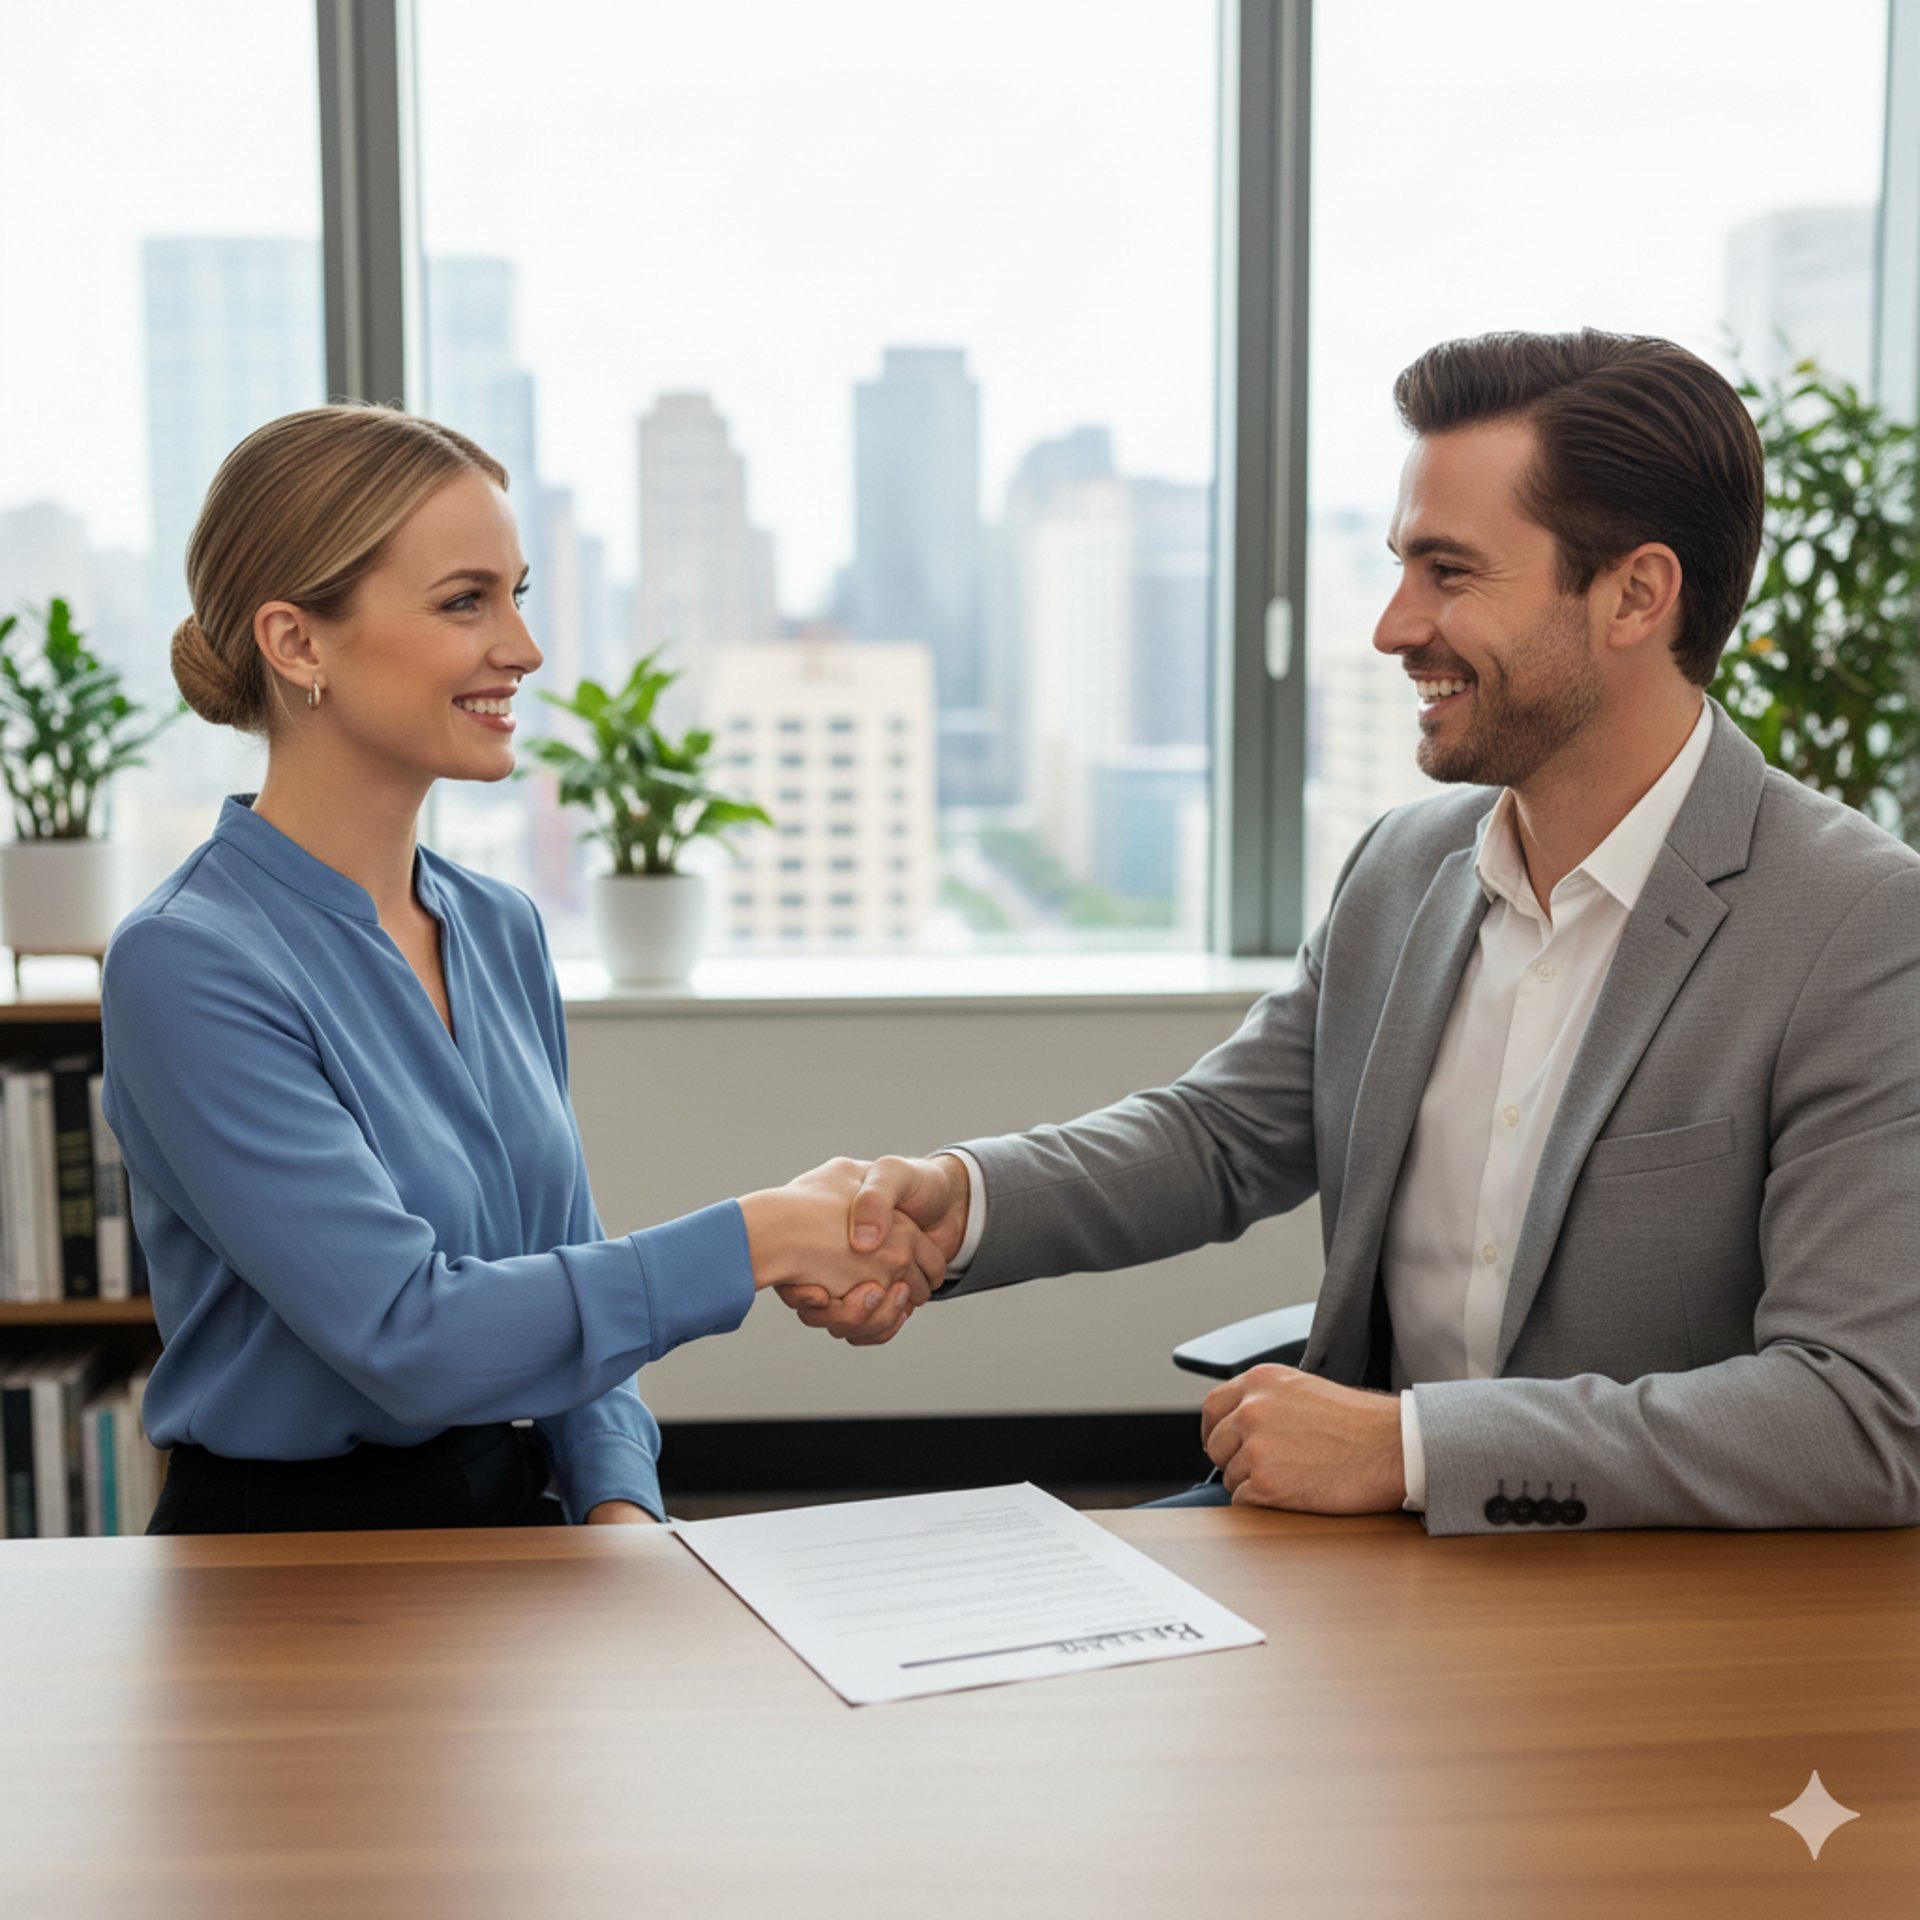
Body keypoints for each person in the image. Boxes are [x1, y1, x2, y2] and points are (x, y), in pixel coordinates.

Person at [778, 328, 1920, 1536]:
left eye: (1449, 572)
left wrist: (1414, 1447)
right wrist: (961, 1201)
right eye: (1399, 567)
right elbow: (1221, 1137)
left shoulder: (1856, 930)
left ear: (1636, 595)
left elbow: (1861, 1416)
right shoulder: (1403, 867)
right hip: (1365, 1557)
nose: (1392, 625)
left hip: (1636, 1593)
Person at [103, 404, 941, 1535]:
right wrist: (763, 1237)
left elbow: (568, 1283)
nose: (524, 648)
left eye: (518, 594)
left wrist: (617, 1504)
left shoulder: (498, 927)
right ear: (297, 644)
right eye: (465, 601)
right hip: (288, 1564)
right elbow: (411, 1335)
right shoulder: (187, 964)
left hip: (512, 1527)